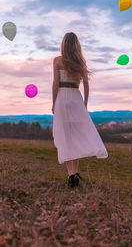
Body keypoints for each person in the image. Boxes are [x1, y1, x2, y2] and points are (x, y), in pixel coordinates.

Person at [52, 32, 108, 188]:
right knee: (76, 136)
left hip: (62, 98)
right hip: (76, 98)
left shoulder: (57, 61)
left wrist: (54, 102)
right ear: (77, 45)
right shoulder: (80, 62)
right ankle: (75, 173)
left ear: (63, 44)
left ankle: (70, 174)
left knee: (66, 137)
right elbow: (86, 85)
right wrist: (85, 103)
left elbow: (55, 83)